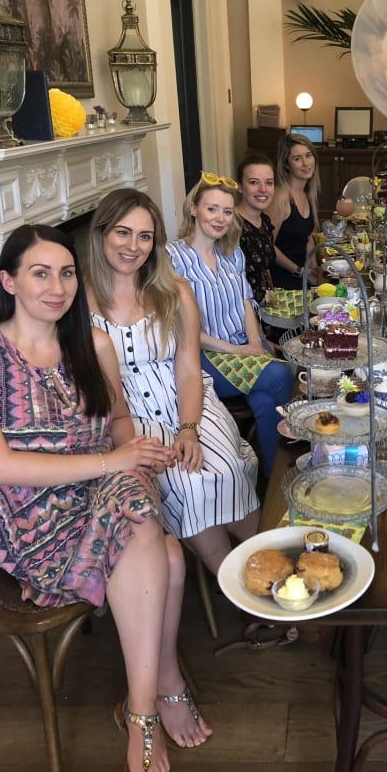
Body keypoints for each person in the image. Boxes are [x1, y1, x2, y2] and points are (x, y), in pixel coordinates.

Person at [0, 224, 211, 772]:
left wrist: (132, 452)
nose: (58, 286)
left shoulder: (91, 344)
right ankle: (158, 696)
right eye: (40, 273)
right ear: (8, 281)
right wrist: (115, 462)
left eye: (67, 273)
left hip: (106, 489)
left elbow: (118, 421)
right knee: (166, 553)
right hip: (35, 521)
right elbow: (2, 467)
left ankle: (143, 711)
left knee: (144, 515)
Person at [86, 189, 260, 581]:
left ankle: (271, 563)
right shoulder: (78, 301)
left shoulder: (174, 291)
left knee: (226, 469)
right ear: (101, 234)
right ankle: (239, 584)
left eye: (144, 236)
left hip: (187, 398)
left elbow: (188, 369)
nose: (133, 246)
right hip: (127, 412)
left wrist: (189, 428)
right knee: (186, 480)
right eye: (123, 232)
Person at [167, 175, 293, 479]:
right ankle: (287, 463)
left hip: (241, 347)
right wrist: (240, 351)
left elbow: (246, 303)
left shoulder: (232, 254)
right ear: (194, 209)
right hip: (203, 356)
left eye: (226, 211)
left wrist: (256, 342)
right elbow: (181, 330)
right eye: (211, 209)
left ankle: (272, 477)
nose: (220, 218)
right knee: (281, 374)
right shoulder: (173, 257)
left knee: (264, 400)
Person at [269, 133, 321, 289]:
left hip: (303, 277)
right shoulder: (281, 198)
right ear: (287, 165)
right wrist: (299, 271)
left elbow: (307, 236)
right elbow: (267, 245)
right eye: (297, 159)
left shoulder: (307, 194)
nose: (306, 163)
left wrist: (314, 266)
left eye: (308, 155)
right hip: (283, 282)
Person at [234, 151, 277, 304]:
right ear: (240, 186)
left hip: (265, 306)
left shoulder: (264, 221)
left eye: (269, 182)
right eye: (253, 182)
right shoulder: (231, 226)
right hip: (241, 312)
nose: (263, 189)